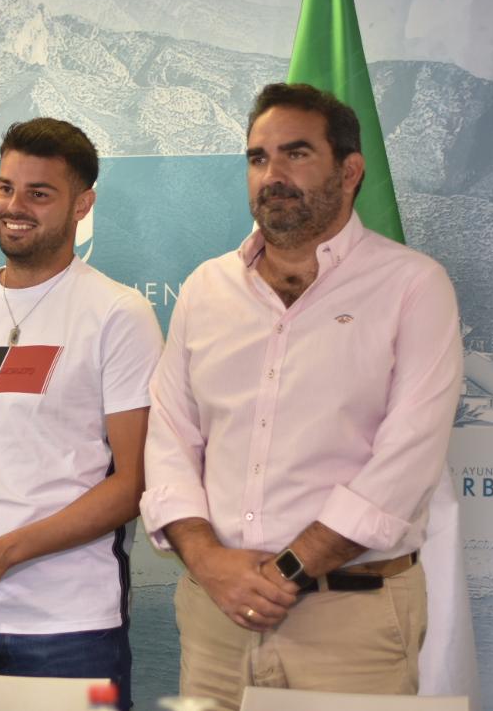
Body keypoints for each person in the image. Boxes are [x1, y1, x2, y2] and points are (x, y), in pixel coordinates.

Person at [141, 83, 463, 709]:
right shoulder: (207, 288)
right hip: (217, 617)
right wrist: (209, 565)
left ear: (350, 170)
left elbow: (405, 464)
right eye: (258, 158)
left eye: (296, 154)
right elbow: (170, 439)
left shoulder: (412, 286)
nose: (273, 174)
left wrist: (282, 573)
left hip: (352, 621)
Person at [0, 118, 162, 709]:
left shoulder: (117, 313)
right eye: (6, 187)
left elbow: (133, 483)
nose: (15, 206)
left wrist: (1, 554)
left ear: (82, 204)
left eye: (39, 193)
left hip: (73, 625)